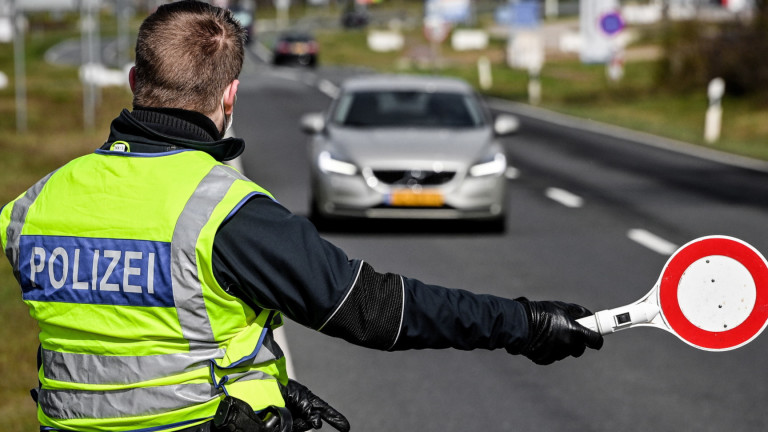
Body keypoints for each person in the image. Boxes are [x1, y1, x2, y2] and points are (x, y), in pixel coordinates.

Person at [0, 1, 603, 431]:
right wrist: (524, 324)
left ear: (135, 82)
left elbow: (123, 339)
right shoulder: (227, 214)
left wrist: (270, 387)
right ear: (230, 95)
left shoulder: (32, 206)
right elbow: (378, 314)